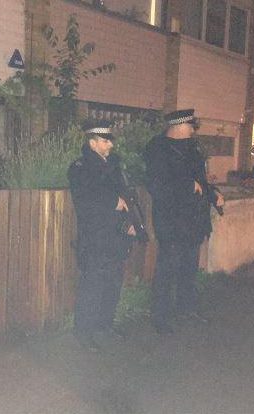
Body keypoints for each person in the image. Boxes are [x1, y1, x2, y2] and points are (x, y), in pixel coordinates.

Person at [144, 109, 224, 334]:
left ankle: (186, 309)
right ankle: (160, 318)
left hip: (193, 222)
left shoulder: (193, 149)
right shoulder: (157, 149)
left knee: (188, 270)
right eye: (191, 126)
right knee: (167, 271)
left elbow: (200, 181)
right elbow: (157, 185)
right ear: (179, 126)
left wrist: (213, 193)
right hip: (172, 223)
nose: (193, 130)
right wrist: (187, 186)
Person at [68, 119, 136, 351]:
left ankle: (104, 325)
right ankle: (83, 332)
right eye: (106, 141)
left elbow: (127, 197)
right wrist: (112, 202)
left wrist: (131, 223)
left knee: (113, 284)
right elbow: (85, 200)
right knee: (92, 287)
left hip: (116, 235)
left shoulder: (115, 166)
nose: (110, 146)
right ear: (92, 142)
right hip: (96, 237)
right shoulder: (80, 167)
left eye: (110, 141)